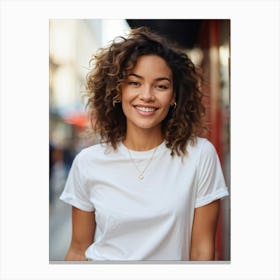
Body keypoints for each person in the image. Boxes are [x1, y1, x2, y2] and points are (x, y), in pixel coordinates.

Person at [60, 27, 229, 261]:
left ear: (174, 96)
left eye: (161, 86)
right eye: (135, 83)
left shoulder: (200, 155)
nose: (147, 95)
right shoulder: (88, 162)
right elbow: (79, 250)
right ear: (117, 90)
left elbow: (202, 251)